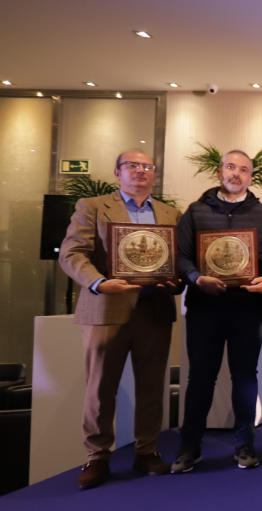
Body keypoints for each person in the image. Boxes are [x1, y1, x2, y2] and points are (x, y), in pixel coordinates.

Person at [60, 149, 183, 489]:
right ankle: (97, 457)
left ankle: (147, 451)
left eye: (147, 166)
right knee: (100, 388)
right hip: (105, 308)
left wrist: (177, 280)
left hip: (154, 309)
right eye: (132, 165)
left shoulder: (171, 214)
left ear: (153, 174)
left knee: (151, 386)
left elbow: (179, 260)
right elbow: (72, 253)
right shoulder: (94, 206)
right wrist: (99, 282)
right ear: (118, 172)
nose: (140, 171)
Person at [171, 150, 262, 473]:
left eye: (244, 170)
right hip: (205, 308)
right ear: (220, 172)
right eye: (231, 167)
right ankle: (189, 447)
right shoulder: (194, 211)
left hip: (248, 309)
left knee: (245, 377)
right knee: (200, 378)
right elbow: (181, 256)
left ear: (251, 176)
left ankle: (244, 444)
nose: (236, 174)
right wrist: (196, 278)